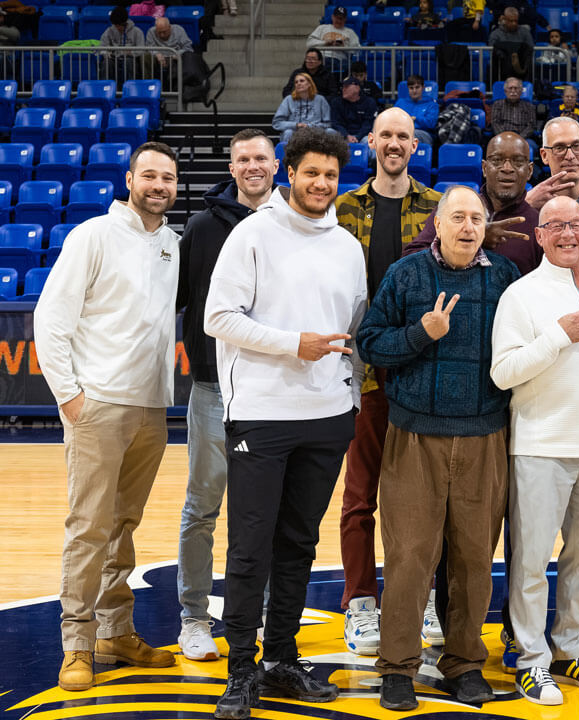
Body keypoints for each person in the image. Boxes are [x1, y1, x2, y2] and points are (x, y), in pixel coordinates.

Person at [204, 128, 366, 720]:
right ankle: (240, 670)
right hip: (262, 415)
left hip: (326, 418)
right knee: (250, 548)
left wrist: (347, 392)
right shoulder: (252, 235)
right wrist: (291, 344)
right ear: (288, 173)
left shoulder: (346, 246)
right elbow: (217, 316)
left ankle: (281, 660)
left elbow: (355, 325)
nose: (321, 183)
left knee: (298, 545)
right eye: (310, 173)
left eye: (330, 174)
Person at [356, 185, 520, 711]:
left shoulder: (505, 279)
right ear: (438, 223)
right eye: (458, 217)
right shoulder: (405, 276)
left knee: (474, 559)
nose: (468, 227)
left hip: (484, 437)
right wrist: (420, 334)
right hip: (414, 438)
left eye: (477, 218)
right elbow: (369, 343)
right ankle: (398, 667)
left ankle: (465, 663)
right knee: (408, 557)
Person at [33, 142, 180, 693]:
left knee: (123, 526)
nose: (158, 185)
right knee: (89, 527)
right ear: (129, 179)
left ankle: (116, 632)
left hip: (150, 407)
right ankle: (76, 642)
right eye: (149, 175)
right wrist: (70, 398)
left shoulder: (173, 245)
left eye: (167, 177)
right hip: (97, 405)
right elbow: (50, 320)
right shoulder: (92, 235)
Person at [490, 196, 579, 706]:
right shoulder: (520, 295)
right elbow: (503, 373)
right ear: (539, 235)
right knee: (531, 562)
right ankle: (531, 660)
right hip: (539, 446)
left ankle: (571, 649)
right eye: (556, 226)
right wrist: (558, 334)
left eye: (576, 224)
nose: (568, 234)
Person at [332, 108, 443, 658]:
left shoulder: (438, 208)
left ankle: (418, 598)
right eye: (387, 135)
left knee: (418, 502)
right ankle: (359, 604)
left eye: (404, 136)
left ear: (415, 145)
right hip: (361, 377)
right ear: (371, 142)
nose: (395, 144)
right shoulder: (343, 208)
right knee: (360, 499)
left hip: (418, 375)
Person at [175, 130, 277, 663]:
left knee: (259, 512)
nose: (253, 166)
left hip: (271, 393)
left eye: (261, 157)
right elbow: (186, 301)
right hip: (215, 389)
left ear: (276, 165)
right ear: (232, 166)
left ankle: (253, 610)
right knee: (203, 507)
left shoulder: (292, 225)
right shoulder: (201, 226)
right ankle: (194, 616)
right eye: (244, 159)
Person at [406, 131, 543, 274]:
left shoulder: (539, 223)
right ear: (484, 168)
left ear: (529, 171)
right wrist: (476, 238)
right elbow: (409, 260)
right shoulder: (453, 206)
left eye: (518, 161)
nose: (507, 168)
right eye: (497, 160)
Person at [274, 73, 336, 146]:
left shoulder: (321, 100)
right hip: (295, 132)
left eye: (302, 81)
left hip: (316, 132)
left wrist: (310, 126)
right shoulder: (288, 100)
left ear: (309, 83)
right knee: (288, 132)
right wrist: (296, 125)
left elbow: (328, 123)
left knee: (331, 131)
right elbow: (277, 123)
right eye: (296, 82)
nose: (298, 83)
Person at [99, 6, 147, 81]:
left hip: (130, 59)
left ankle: (131, 87)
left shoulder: (137, 32)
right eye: (115, 25)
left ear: (125, 23)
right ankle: (106, 87)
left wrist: (131, 53)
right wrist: (106, 53)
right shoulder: (109, 31)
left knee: (129, 62)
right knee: (106, 63)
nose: (117, 27)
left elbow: (142, 50)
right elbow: (102, 46)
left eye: (119, 25)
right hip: (114, 59)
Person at [145, 17, 194, 90]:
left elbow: (188, 48)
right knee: (145, 57)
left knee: (179, 61)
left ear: (170, 27)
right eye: (159, 32)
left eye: (164, 32)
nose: (162, 35)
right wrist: (156, 54)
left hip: (174, 58)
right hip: (158, 58)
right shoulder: (151, 32)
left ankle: (175, 89)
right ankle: (148, 86)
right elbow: (149, 48)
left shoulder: (179, 30)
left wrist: (177, 54)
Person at [331, 77, 380, 144]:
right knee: (329, 132)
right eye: (343, 87)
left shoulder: (369, 102)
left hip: (362, 136)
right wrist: (346, 135)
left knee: (371, 139)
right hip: (343, 135)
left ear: (357, 88)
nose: (343, 89)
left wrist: (358, 137)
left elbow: (368, 124)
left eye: (346, 87)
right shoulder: (336, 102)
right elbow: (335, 123)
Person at [490, 7, 535, 80]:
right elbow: (492, 52)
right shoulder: (495, 34)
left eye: (516, 21)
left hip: (522, 69)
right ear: (504, 19)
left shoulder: (525, 32)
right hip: (501, 70)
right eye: (511, 21)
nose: (514, 23)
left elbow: (530, 49)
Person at [393, 74, 438, 146]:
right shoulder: (400, 103)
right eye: (411, 88)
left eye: (417, 87)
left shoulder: (431, 104)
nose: (414, 91)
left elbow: (431, 124)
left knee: (410, 134)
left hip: (424, 134)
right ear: (408, 89)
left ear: (423, 87)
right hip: (401, 132)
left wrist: (415, 119)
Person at [490, 76, 538, 142]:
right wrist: (505, 137)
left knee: (531, 146)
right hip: (502, 137)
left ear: (521, 91)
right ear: (505, 91)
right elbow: (495, 123)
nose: (513, 91)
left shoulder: (529, 106)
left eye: (516, 88)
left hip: (523, 138)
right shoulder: (497, 104)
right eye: (510, 88)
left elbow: (531, 126)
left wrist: (519, 138)